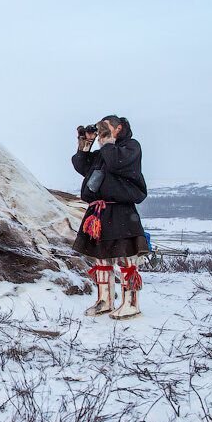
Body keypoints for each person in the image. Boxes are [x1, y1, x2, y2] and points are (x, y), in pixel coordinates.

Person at [72, 115, 149, 319]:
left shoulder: (131, 148)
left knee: (126, 259)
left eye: (107, 129)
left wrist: (107, 141)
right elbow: (82, 166)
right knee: (102, 257)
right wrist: (85, 143)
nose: (102, 135)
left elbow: (116, 162)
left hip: (121, 211)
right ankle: (105, 301)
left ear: (119, 128)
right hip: (99, 213)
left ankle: (131, 304)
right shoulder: (103, 153)